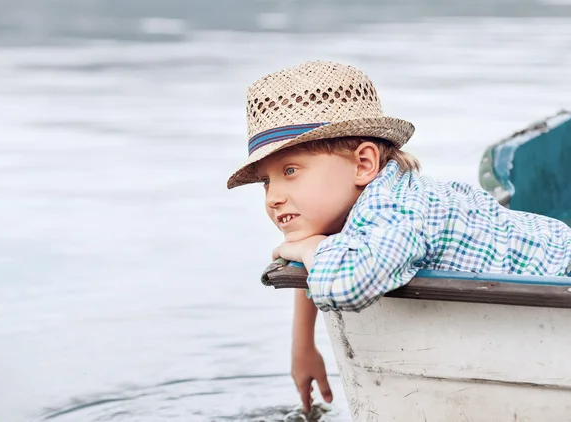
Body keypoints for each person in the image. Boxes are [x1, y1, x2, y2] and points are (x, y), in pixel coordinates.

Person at [226, 61, 571, 412]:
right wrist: (303, 346)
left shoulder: (395, 211)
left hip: (561, 271)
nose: (273, 197)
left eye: (290, 171)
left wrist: (314, 247)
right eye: (267, 180)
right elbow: (323, 251)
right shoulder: (355, 200)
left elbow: (348, 280)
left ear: (363, 164)